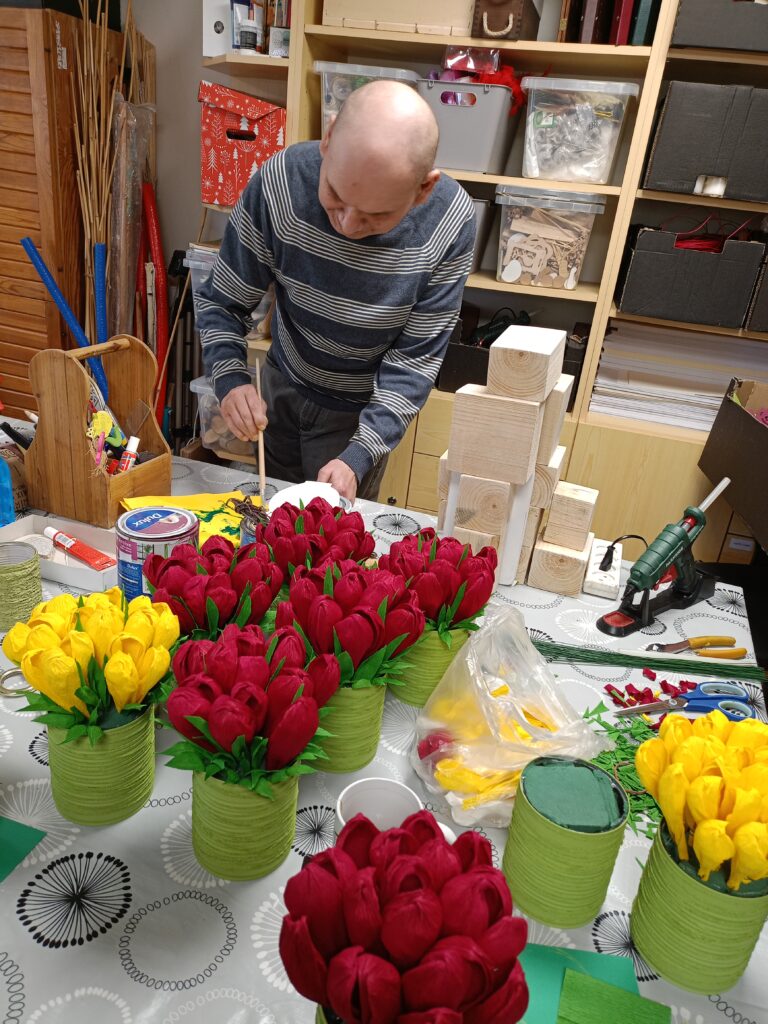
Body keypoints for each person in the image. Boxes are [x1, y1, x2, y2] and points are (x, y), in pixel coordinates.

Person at [198, 79, 476, 501]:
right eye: (334, 196)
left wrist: (360, 454)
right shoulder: (281, 184)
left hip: (359, 415)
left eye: (375, 216)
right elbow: (223, 301)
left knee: (334, 535)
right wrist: (230, 378)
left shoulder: (449, 225)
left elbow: (414, 362)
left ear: (424, 189)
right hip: (281, 388)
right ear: (328, 138)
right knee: (270, 515)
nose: (347, 225)